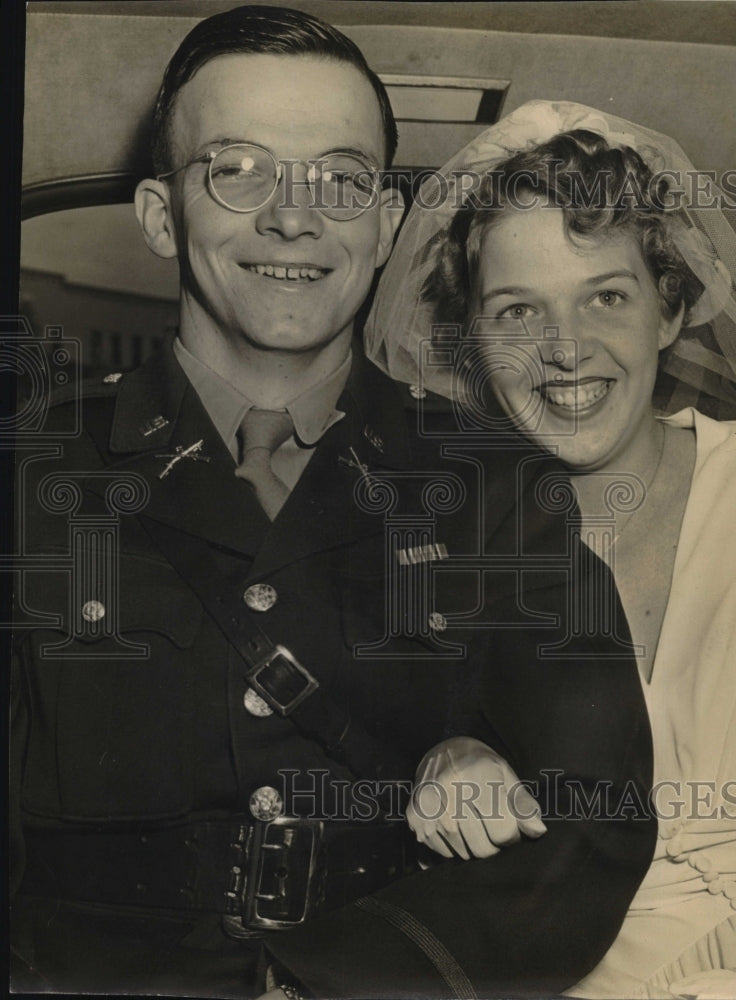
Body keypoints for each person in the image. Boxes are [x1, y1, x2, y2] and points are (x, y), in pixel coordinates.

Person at [11, 14, 656, 997]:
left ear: (386, 224)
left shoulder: (492, 483)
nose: (293, 218)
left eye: (342, 179)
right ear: (157, 213)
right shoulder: (30, 471)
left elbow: (594, 813)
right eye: (238, 170)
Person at [363, 102, 736, 997]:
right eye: (516, 311)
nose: (565, 350)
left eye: (606, 297)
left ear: (669, 309)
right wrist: (441, 757)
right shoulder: (436, 551)